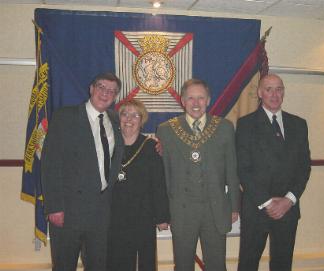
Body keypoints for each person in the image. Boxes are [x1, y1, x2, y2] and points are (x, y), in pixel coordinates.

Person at [41, 72, 124, 271]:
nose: (105, 93)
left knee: (98, 265)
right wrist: (54, 207)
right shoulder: (65, 116)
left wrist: (158, 144)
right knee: (64, 265)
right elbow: (50, 163)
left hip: (101, 210)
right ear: (91, 88)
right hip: (69, 210)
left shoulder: (114, 120)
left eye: (111, 91)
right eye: (101, 87)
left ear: (115, 97)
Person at [156, 78, 240, 271]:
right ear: (183, 101)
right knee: (183, 265)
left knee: (217, 265)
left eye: (201, 98)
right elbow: (163, 176)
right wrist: (163, 210)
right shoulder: (166, 130)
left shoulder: (224, 127)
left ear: (208, 100)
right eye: (191, 98)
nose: (196, 103)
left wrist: (234, 205)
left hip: (215, 208)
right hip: (182, 210)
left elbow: (232, 170)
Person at [236, 74, 311, 271]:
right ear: (260, 93)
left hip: (288, 208)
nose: (274, 94)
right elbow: (243, 169)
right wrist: (269, 203)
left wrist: (289, 199)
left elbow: (304, 167)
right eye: (269, 89)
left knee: (283, 263)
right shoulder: (245, 124)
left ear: (284, 92)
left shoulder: (299, 124)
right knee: (248, 263)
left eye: (279, 89)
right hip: (257, 207)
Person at [107, 99, 170, 271]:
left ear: (142, 120)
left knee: (142, 262)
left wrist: (162, 216)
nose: (129, 119)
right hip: (113, 217)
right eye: (124, 114)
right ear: (118, 119)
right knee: (114, 260)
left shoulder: (151, 147)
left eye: (135, 115)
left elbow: (158, 184)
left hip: (142, 217)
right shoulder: (108, 145)